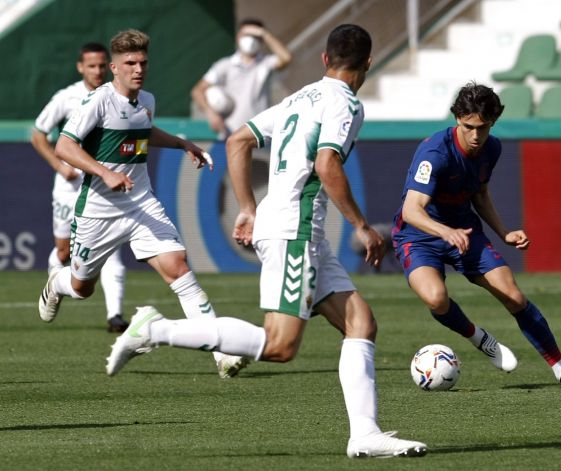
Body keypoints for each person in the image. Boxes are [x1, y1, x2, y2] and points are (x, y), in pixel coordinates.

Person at [104, 24, 426, 459]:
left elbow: (238, 139)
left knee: (360, 324)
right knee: (279, 345)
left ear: (325, 59)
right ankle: (154, 330)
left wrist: (247, 207)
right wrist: (361, 225)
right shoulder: (347, 104)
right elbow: (328, 164)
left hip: (292, 226)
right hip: (295, 229)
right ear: (367, 63)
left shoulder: (299, 97)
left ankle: (365, 435)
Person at [41, 29, 248, 379]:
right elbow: (64, 147)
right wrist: (104, 172)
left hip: (140, 204)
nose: (138, 69)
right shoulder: (96, 102)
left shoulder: (146, 100)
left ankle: (222, 353)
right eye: (130, 63)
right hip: (99, 210)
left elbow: (144, 131)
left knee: (179, 268)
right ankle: (56, 283)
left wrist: (183, 144)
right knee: (82, 287)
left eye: (143, 62)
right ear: (113, 67)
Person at [390, 82, 561, 391]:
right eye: (468, 126)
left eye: (483, 128)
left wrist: (504, 232)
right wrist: (446, 232)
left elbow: (481, 193)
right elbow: (412, 210)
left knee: (513, 296)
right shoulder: (434, 153)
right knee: (436, 298)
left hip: (465, 231)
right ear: (457, 119)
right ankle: (479, 337)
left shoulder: (492, 148)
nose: (475, 135)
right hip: (419, 236)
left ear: (493, 122)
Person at [32, 42, 129, 333]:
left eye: (102, 65)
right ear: (80, 67)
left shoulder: (120, 96)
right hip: (69, 187)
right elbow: (39, 134)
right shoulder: (67, 97)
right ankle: (56, 282)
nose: (97, 71)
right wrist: (61, 166)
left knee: (112, 248)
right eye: (91, 66)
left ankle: (115, 315)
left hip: (102, 185)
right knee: (64, 251)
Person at [191, 18, 292, 138]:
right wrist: (211, 113)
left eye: (255, 36)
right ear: (238, 36)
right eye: (246, 34)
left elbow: (286, 58)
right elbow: (197, 91)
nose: (250, 39)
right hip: (232, 134)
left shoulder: (266, 62)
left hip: (261, 133)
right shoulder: (225, 65)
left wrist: (264, 33)